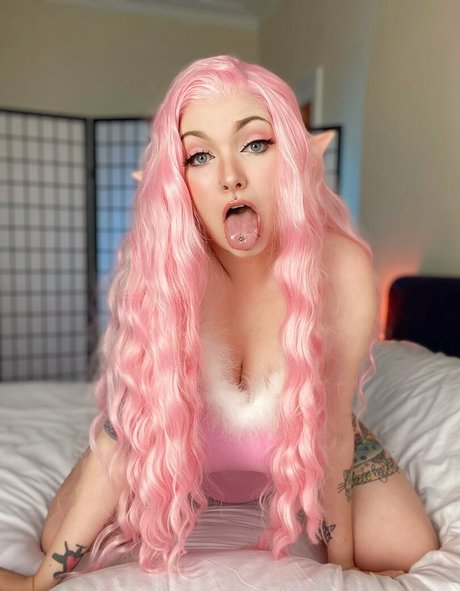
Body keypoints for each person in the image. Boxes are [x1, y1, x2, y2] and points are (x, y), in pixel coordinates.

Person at [0, 55, 438, 591]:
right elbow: (127, 433)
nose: (230, 177)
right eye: (200, 156)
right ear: (179, 180)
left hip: (297, 452)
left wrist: (340, 567)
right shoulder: (163, 272)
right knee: (58, 535)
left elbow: (332, 432)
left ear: (291, 155)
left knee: (406, 547)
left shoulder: (340, 268)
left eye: (255, 144)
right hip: (182, 451)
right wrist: (37, 583)